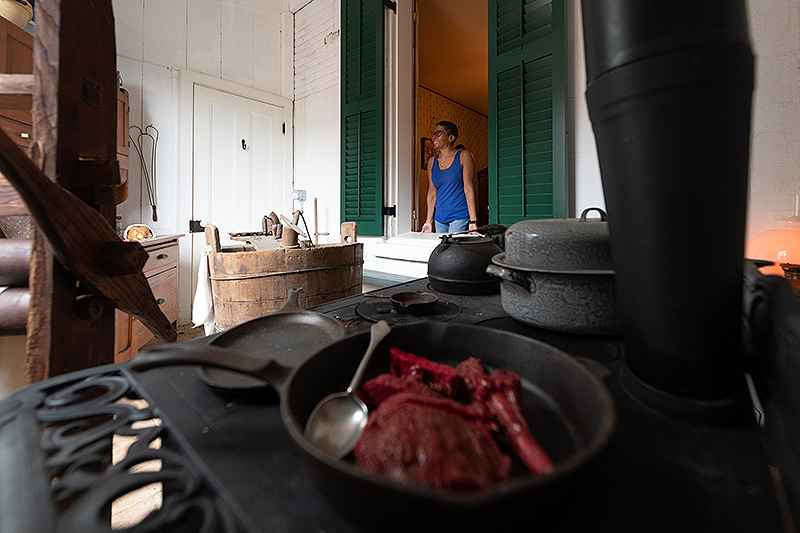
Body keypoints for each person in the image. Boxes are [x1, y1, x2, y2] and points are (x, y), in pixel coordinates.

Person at [421, 121, 478, 233]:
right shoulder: (431, 162)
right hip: (439, 218)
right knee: (442, 244)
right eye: (433, 134)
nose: (433, 137)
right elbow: (432, 193)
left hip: (459, 216)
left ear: (450, 137)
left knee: (453, 243)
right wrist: (428, 221)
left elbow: (468, 188)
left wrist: (473, 220)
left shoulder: (463, 156)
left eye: (438, 133)